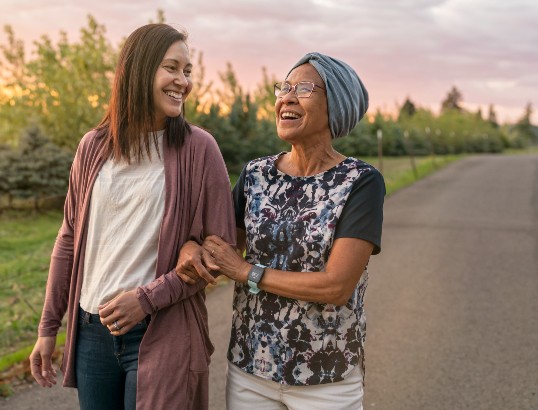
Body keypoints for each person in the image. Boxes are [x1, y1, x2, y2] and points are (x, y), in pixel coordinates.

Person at [28, 23, 236, 410]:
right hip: (92, 333)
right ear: (139, 70)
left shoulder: (200, 149)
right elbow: (68, 239)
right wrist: (48, 328)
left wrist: (147, 299)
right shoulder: (93, 147)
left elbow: (218, 253)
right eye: (171, 68)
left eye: (187, 71)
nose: (183, 81)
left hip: (162, 329)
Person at [177, 52, 385, 409]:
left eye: (303, 88)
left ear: (335, 105)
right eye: (283, 87)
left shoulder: (361, 182)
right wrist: (191, 249)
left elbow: (336, 286)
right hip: (250, 371)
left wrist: (246, 271)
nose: (286, 97)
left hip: (327, 378)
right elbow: (221, 249)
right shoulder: (256, 174)